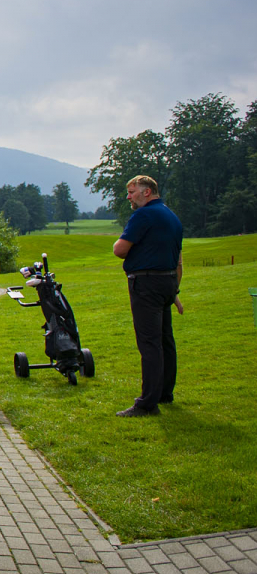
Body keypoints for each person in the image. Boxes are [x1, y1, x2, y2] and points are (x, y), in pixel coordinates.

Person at [112, 175, 183, 417]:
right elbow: (177, 257)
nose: (128, 197)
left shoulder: (143, 215)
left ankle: (147, 403)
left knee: (149, 342)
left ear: (147, 192)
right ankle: (165, 392)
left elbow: (120, 250)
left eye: (132, 192)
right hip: (167, 281)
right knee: (165, 340)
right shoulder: (171, 216)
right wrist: (174, 291)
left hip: (146, 282)